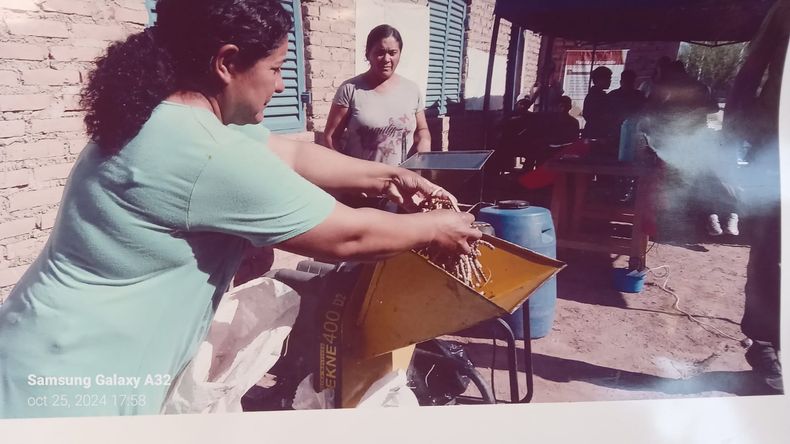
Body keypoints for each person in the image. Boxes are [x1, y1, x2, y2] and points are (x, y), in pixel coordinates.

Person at [0, 0, 481, 418]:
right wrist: (437, 227)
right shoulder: (206, 153)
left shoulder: (169, 115)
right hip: (74, 385)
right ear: (227, 62)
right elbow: (348, 236)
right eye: (275, 68)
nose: (278, 83)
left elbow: (291, 153)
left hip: (43, 351)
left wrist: (390, 175)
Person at [725, 0, 788, 394]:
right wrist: (730, 144)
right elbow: (751, 69)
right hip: (777, 150)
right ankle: (765, 346)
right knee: (772, 250)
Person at [323, 24, 430, 166]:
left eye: (392, 53)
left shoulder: (412, 90)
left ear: (399, 54)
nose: (386, 59)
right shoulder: (350, 90)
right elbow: (331, 137)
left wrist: (424, 146)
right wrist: (347, 172)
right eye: (380, 52)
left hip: (402, 180)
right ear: (368, 54)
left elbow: (422, 130)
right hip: (363, 183)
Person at [581, 66, 613, 139]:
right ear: (599, 80)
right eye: (608, 78)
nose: (610, 81)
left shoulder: (600, 95)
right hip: (595, 134)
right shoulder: (595, 96)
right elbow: (590, 116)